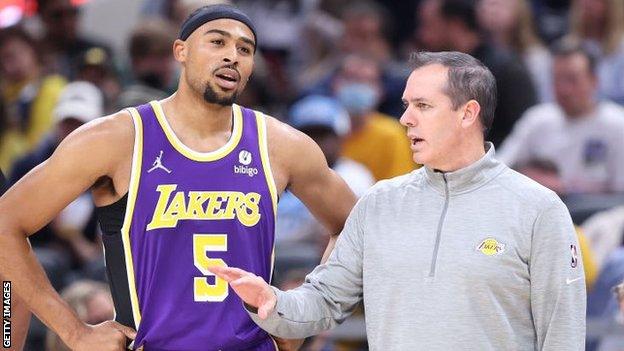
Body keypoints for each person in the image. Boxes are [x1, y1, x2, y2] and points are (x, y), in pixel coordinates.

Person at [0, 4, 356, 351]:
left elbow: (355, 227)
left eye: (245, 49)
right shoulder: (118, 138)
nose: (232, 55)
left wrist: (304, 313)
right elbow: (5, 225)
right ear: (180, 51)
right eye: (217, 42)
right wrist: (74, 333)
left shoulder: (281, 145)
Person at [210, 51, 586, 350]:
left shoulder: (538, 208)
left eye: (422, 106)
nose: (405, 118)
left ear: (468, 113)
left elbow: (562, 333)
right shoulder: (378, 203)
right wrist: (270, 302)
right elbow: (324, 301)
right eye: (406, 105)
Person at [498, 41, 624, 195]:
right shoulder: (537, 119)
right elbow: (500, 167)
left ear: (594, 81)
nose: (564, 89)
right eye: (557, 79)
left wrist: (566, 189)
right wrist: (527, 175)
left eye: (572, 80)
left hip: (597, 212)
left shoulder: (617, 124)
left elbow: (620, 194)